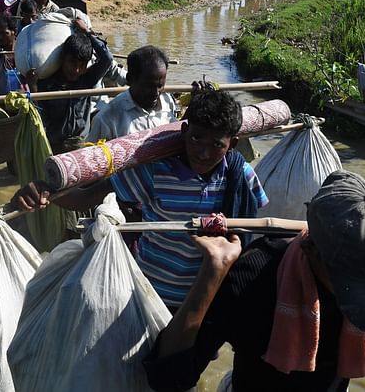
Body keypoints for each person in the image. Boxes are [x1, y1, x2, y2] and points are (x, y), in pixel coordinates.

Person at [142, 169, 365, 391]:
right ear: (313, 253)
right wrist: (212, 274)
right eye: (353, 287)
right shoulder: (254, 279)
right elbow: (169, 376)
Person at [13, 89, 269, 308]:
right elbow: (86, 198)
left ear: (232, 144)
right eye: (195, 138)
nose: (203, 153)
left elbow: (253, 226)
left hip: (205, 298)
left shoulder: (239, 176)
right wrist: (44, 191)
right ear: (184, 130)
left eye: (216, 145)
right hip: (149, 292)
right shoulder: (155, 171)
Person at [26, 23, 113, 154]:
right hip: (54, 147)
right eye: (72, 62)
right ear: (62, 58)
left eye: (82, 65)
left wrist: (87, 32)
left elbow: (107, 59)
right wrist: (33, 88)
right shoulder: (46, 84)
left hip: (81, 145)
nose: (76, 70)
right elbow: (38, 117)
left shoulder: (87, 80)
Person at [88, 45, 177, 141]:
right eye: (148, 86)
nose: (156, 93)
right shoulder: (106, 120)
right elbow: (92, 154)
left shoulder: (167, 102)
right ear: (130, 79)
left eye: (160, 86)